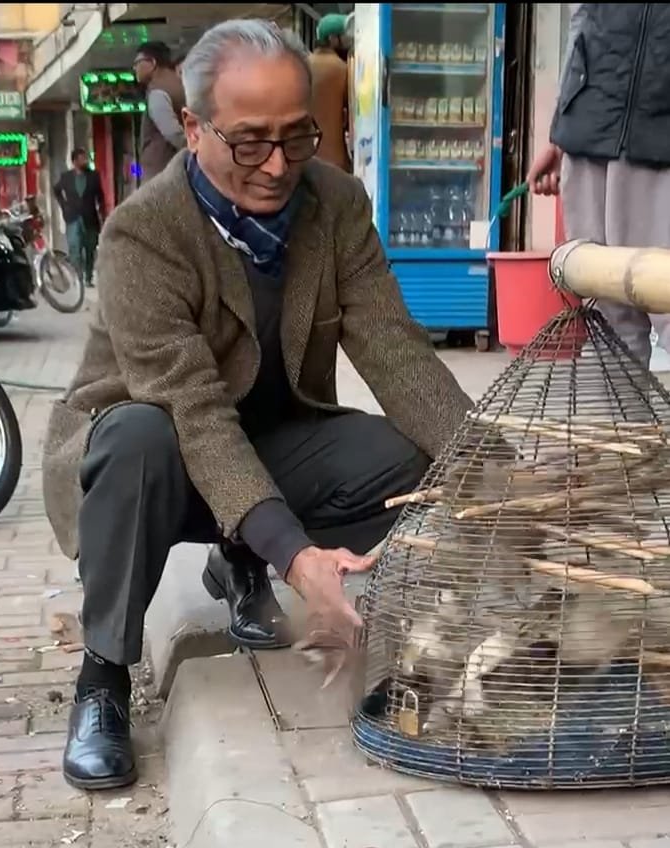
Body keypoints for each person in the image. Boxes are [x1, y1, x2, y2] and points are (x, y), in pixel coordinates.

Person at [42, 19, 473, 792]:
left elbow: (395, 350)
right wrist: (300, 559)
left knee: (403, 462)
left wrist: (495, 480)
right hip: (151, 462)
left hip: (272, 439)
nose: (277, 166)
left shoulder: (335, 205)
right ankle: (102, 677)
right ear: (193, 127)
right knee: (143, 434)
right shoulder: (143, 234)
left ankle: (240, 555)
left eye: (296, 137)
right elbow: (196, 413)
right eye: (249, 143)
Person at [527, 3, 670, 370]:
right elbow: (582, 24)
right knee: (608, 313)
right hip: (590, 130)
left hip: (661, 139)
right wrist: (559, 135)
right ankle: (621, 427)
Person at [133, 40, 186, 182]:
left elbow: (173, 133)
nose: (135, 68)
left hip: (161, 174)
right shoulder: (178, 84)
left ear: (152, 62)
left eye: (137, 63)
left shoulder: (157, 91)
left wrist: (194, 150)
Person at [53, 148, 106, 288]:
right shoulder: (66, 177)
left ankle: (88, 278)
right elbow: (56, 190)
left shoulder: (94, 176)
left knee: (90, 249)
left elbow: (100, 196)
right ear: (75, 161)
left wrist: (102, 212)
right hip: (73, 218)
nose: (85, 161)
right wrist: (64, 206)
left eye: (86, 158)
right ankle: (78, 276)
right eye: (82, 158)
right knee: (75, 248)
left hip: (90, 218)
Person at [308, 13, 352, 173]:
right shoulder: (342, 69)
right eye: (345, 37)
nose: (349, 42)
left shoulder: (303, 65)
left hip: (306, 158)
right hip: (335, 163)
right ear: (333, 39)